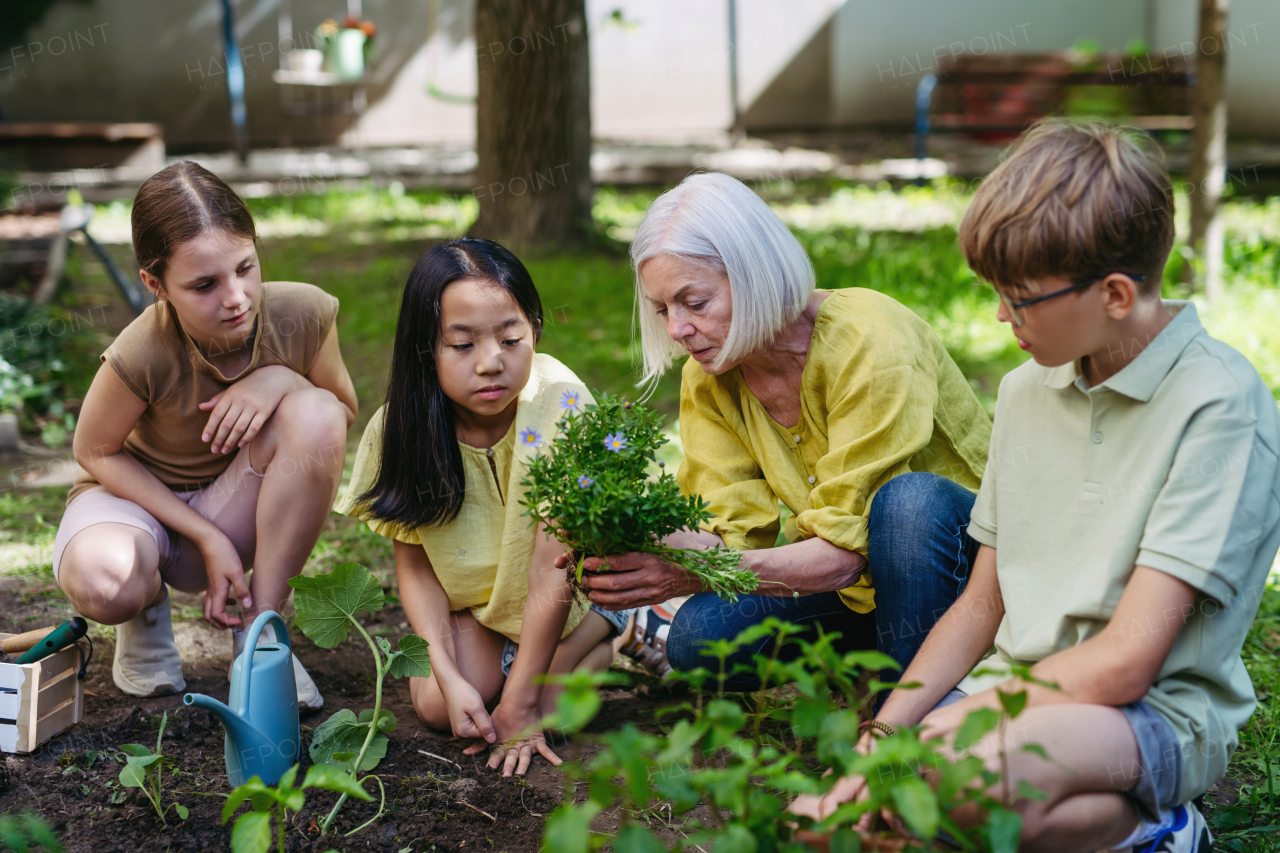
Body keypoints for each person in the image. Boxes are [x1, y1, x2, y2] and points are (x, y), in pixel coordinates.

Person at [792, 120, 1280, 852]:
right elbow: (984, 599)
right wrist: (888, 729)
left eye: (1018, 299)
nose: (998, 316)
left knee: (952, 788)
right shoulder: (1025, 391)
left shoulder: (1220, 406)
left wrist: (956, 730)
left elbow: (1130, 659)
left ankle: (1169, 825)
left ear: (1115, 293)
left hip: (1148, 716)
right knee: (831, 820)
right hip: (1007, 695)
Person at [571, 172, 992, 691]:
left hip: (964, 573)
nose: (676, 330)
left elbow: (843, 556)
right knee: (699, 638)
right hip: (862, 590)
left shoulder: (868, 338)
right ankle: (883, 663)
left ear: (754, 274)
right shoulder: (709, 380)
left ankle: (901, 719)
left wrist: (688, 573)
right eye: (662, 310)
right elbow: (729, 538)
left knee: (908, 503)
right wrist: (625, 531)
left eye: (694, 303)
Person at [57, 161, 358, 709]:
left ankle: (259, 633)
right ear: (155, 284)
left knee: (316, 412)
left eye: (246, 267)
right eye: (204, 285)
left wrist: (281, 378)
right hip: (140, 512)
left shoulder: (304, 314)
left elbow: (342, 412)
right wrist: (207, 537)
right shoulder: (141, 351)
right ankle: (144, 612)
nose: (237, 296)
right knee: (105, 582)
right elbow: (93, 450)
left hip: (233, 504)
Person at [336, 238, 632, 777]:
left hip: (566, 596)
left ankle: (611, 628)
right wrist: (446, 673)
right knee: (436, 708)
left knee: (546, 711)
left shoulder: (563, 404)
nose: (491, 362)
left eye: (511, 337)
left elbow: (551, 567)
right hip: (480, 606)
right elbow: (417, 565)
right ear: (426, 348)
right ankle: (521, 665)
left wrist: (521, 703)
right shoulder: (397, 430)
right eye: (462, 344)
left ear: (534, 331)